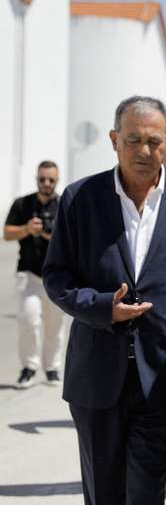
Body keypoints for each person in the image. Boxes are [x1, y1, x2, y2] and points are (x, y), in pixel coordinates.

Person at [43, 95, 166, 505]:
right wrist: (103, 308)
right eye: (134, 139)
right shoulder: (80, 198)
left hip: (164, 379)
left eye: (155, 141)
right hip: (96, 380)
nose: (145, 151)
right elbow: (57, 277)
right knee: (105, 499)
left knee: (145, 497)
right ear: (114, 139)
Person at [4, 160, 68, 388]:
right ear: (37, 178)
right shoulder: (23, 204)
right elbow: (7, 233)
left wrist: (52, 236)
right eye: (42, 179)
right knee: (28, 319)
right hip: (28, 273)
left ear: (57, 180)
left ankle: (52, 368)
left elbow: (73, 241)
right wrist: (27, 229)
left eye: (51, 179)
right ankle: (29, 367)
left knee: (54, 324)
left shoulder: (64, 205)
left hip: (56, 276)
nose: (46, 183)